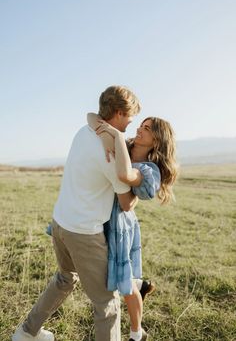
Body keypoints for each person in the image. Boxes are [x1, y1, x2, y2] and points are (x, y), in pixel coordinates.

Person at [12, 85, 141, 341]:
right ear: (118, 112)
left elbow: (91, 116)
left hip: (60, 223)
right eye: (130, 116)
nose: (131, 122)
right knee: (106, 303)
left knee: (64, 278)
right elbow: (126, 204)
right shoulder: (111, 151)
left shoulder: (85, 131)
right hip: (84, 234)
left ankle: (26, 333)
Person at [88, 114, 178, 341]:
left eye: (146, 129)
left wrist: (115, 137)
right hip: (100, 219)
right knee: (112, 276)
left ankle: (137, 333)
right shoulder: (123, 147)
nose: (139, 129)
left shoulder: (148, 170)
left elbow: (128, 187)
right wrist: (114, 138)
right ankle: (140, 283)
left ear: (156, 140)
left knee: (125, 287)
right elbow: (91, 116)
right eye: (140, 125)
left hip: (119, 228)